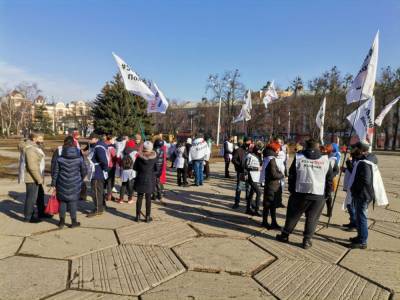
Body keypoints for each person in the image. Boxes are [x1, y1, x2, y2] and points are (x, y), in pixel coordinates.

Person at [276, 139, 333, 249]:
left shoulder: (299, 157)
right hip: (318, 193)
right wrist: (327, 194)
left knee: (293, 215)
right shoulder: (325, 159)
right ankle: (306, 241)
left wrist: (292, 190)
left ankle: (285, 235)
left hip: (300, 191)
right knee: (313, 218)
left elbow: (292, 175)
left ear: (306, 146)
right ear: (317, 147)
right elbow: (329, 179)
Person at [51, 136, 87, 228]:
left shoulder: (60, 158)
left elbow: (55, 172)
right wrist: (80, 178)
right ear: (73, 144)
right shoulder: (79, 157)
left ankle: (61, 222)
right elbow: (84, 170)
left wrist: (53, 184)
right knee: (73, 202)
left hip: (61, 182)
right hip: (75, 183)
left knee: (62, 202)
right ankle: (73, 222)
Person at [348, 141, 377, 249]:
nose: (352, 150)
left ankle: (362, 241)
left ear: (360, 150)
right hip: (362, 194)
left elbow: (366, 179)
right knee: (359, 217)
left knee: (361, 217)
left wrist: (355, 189)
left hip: (363, 194)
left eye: (354, 148)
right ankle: (360, 236)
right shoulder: (364, 160)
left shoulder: (365, 163)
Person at [21, 132, 49, 223]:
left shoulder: (35, 147)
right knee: (31, 198)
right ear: (34, 138)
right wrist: (39, 179)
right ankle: (28, 217)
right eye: (40, 139)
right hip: (32, 177)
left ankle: (41, 212)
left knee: (40, 195)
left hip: (37, 176)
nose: (42, 141)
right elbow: (32, 167)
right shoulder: (30, 149)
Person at [133, 141, 158, 222]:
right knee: (148, 199)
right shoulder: (154, 158)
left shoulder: (139, 157)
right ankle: (147, 217)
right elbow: (156, 169)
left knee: (139, 198)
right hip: (150, 179)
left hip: (140, 178)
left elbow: (135, 168)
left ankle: (137, 216)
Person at [262, 142, 285, 229]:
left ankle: (272, 222)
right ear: (275, 149)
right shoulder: (271, 159)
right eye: (278, 148)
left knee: (270, 205)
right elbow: (274, 174)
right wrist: (282, 175)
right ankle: (266, 222)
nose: (279, 150)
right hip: (272, 185)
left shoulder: (268, 157)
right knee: (269, 204)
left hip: (270, 184)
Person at [87, 133, 109, 217]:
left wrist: (105, 169)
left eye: (90, 139)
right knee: (100, 191)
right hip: (99, 171)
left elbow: (103, 160)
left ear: (95, 139)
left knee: (95, 191)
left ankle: (98, 209)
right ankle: (102, 206)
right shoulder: (99, 145)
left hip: (97, 172)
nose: (89, 140)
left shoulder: (98, 147)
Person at [118, 139, 137, 204]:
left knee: (123, 185)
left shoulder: (122, 152)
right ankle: (130, 199)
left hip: (124, 170)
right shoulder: (135, 152)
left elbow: (119, 162)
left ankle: (121, 199)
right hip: (132, 170)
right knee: (130, 185)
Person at [244, 145, 262, 216]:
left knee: (252, 193)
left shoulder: (257, 156)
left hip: (255, 177)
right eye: (259, 151)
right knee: (259, 192)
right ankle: (257, 210)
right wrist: (256, 169)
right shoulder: (250, 156)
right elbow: (246, 166)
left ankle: (248, 209)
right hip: (251, 176)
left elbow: (260, 163)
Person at [323, 144, 339, 217]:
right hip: (320, 181)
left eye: (325, 149)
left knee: (329, 197)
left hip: (329, 182)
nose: (323, 151)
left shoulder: (333, 159)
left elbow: (336, 170)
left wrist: (331, 176)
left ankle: (329, 212)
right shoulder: (319, 157)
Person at [231, 140, 247, 209]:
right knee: (239, 187)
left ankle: (248, 203)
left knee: (248, 188)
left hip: (249, 172)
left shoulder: (250, 150)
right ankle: (236, 202)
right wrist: (240, 166)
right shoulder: (238, 150)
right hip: (241, 172)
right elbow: (234, 160)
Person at [104, 135, 117, 201]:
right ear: (110, 139)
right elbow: (114, 157)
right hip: (111, 166)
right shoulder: (111, 147)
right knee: (110, 181)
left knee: (105, 180)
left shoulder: (103, 145)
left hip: (104, 165)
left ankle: (105, 194)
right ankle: (109, 195)